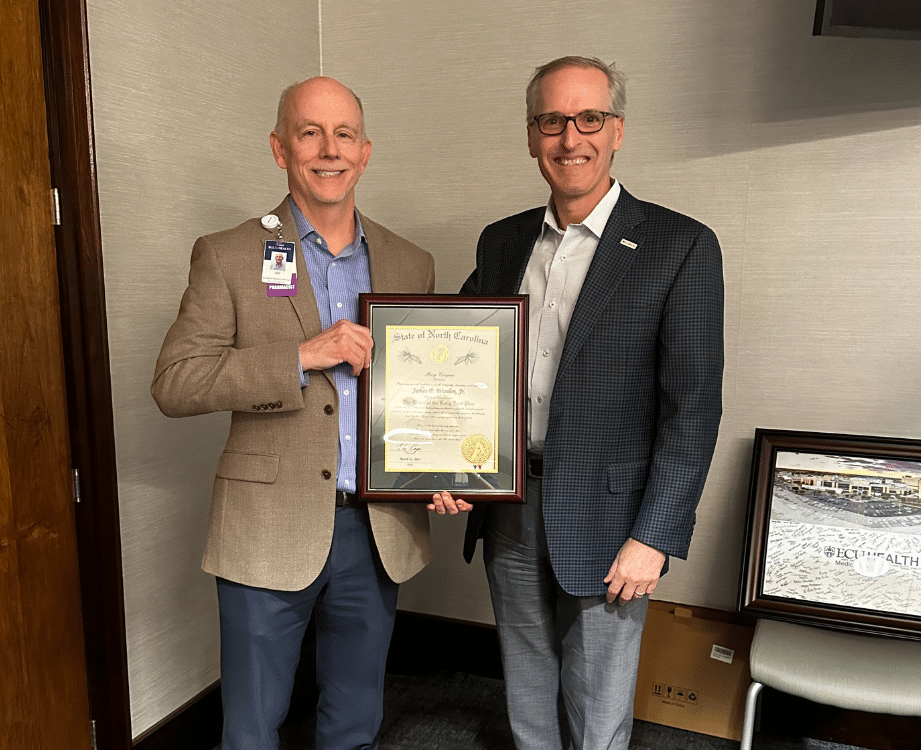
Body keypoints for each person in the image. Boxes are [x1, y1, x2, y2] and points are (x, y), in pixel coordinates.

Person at [432, 56, 724, 750]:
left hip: (613, 517)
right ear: (531, 136)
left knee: (598, 709)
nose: (572, 138)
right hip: (508, 505)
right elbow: (466, 366)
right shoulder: (502, 242)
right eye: (552, 121)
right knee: (526, 687)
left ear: (617, 129)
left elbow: (694, 409)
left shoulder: (680, 246)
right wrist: (442, 462)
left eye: (589, 118)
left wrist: (655, 536)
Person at [152, 76, 436, 750]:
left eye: (344, 135)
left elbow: (427, 387)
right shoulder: (227, 254)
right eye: (310, 132)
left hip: (377, 528)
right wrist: (299, 356)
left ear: (365, 152)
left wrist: (445, 471)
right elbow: (174, 381)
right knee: (251, 729)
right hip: (266, 529)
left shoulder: (410, 261)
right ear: (280, 148)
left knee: (355, 720)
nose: (328, 149)